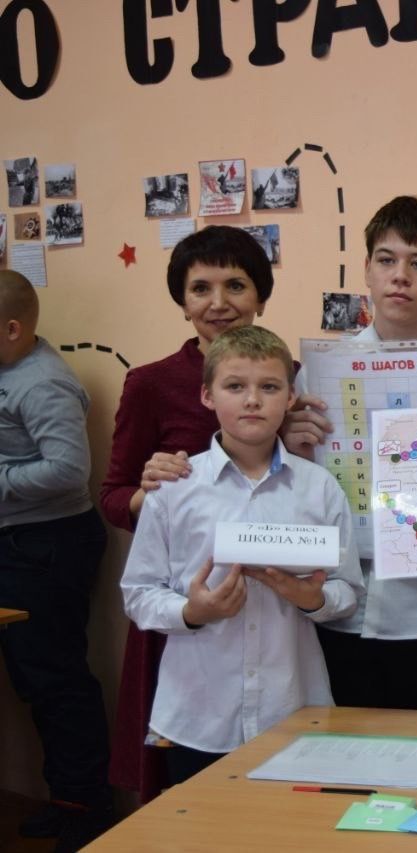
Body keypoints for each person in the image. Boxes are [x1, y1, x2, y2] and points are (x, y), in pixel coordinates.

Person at [119, 326, 363, 785]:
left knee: (287, 822)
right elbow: (138, 593)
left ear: (290, 397)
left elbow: (347, 591)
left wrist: (311, 598)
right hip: (197, 716)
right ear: (207, 396)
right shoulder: (173, 489)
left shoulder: (319, 487)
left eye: (269, 387)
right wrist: (192, 611)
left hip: (291, 708)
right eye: (235, 386)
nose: (252, 400)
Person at [282, 196, 417, 711]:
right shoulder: (319, 374)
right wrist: (292, 451)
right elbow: (290, 491)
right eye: (386, 260)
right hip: (334, 608)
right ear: (367, 271)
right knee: (339, 752)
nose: (400, 276)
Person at [101, 225, 274, 800]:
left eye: (236, 285)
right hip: (183, 607)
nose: (218, 303)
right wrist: (153, 494)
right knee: (190, 786)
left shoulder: (287, 378)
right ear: (182, 302)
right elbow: (112, 495)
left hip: (274, 606)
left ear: (261, 296)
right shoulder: (150, 384)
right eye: (201, 288)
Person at [0, 272, 114, 850]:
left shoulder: (42, 381)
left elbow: (69, 470)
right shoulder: (10, 369)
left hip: (47, 544)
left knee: (56, 680)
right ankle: (66, 795)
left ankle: (85, 809)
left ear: (12, 329)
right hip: (20, 540)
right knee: (33, 678)